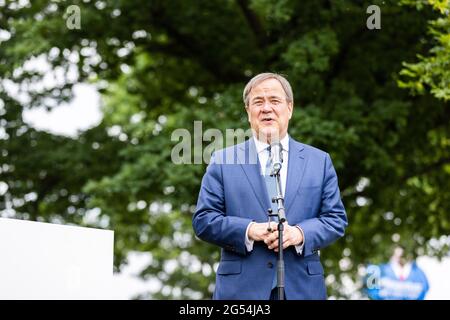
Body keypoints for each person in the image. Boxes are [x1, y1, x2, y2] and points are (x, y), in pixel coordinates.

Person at [192, 72, 348, 300]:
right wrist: (250, 230)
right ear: (248, 112)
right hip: (240, 293)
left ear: (290, 108)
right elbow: (203, 220)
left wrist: (298, 234)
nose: (266, 108)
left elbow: (335, 219)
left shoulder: (320, 161)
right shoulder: (222, 160)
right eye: (258, 102)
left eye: (274, 101)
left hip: (304, 289)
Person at [365, 246, 429, 300]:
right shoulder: (379, 270)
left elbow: (424, 289)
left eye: (404, 254)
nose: (401, 257)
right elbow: (371, 291)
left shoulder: (418, 273)